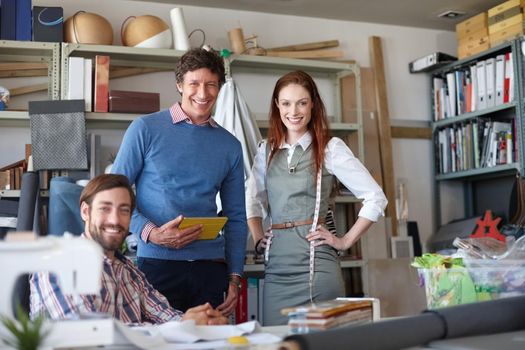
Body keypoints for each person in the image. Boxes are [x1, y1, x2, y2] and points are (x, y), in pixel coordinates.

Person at [110, 48, 247, 316]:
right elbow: (114, 194)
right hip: (158, 266)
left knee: (211, 346)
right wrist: (152, 233)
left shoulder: (230, 146)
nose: (203, 93)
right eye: (194, 84)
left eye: (211, 85)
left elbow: (237, 217)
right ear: (179, 85)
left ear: (219, 87)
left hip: (210, 268)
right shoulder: (145, 129)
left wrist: (234, 277)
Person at [245, 70, 388, 325]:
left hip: (316, 268)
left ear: (313, 104)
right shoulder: (265, 151)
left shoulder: (330, 148)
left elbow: (375, 197)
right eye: (286, 103)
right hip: (276, 269)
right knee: (275, 342)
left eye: (302, 102)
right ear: (277, 105)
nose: (294, 111)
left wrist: (344, 241)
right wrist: (257, 238)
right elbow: (251, 199)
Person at [30, 174, 227, 325]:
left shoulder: (129, 271)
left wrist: (195, 321)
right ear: (85, 211)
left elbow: (164, 315)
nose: (115, 220)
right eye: (105, 208)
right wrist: (180, 326)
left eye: (124, 210)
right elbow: (89, 334)